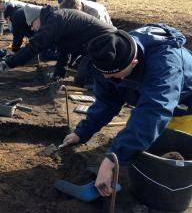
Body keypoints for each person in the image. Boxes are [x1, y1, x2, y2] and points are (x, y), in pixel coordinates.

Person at [61, 24, 192, 197]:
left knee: (171, 162)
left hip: (185, 103)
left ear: (134, 63)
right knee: (139, 147)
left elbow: (153, 111)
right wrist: (82, 131)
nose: (108, 78)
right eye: (105, 74)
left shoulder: (165, 63)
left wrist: (112, 159)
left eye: (115, 75)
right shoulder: (110, 55)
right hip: (153, 101)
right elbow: (107, 101)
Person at [0, 8, 116, 79]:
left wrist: (10, 63)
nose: (33, 29)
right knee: (83, 76)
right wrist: (59, 74)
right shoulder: (57, 19)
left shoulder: (54, 20)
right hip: (98, 41)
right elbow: (65, 49)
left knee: (85, 79)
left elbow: (35, 46)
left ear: (37, 18)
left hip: (107, 42)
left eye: (32, 24)